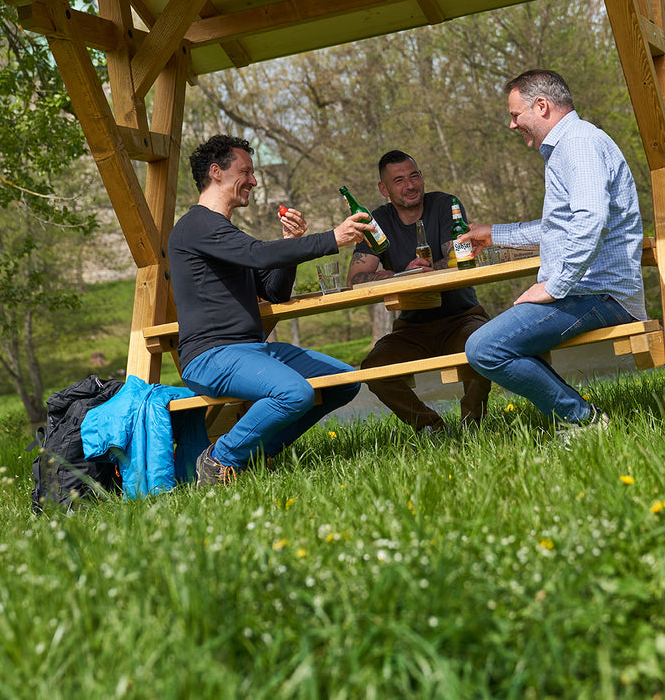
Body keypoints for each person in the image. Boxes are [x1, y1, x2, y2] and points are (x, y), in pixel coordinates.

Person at [170, 134, 372, 487]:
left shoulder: (224, 232)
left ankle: (255, 456)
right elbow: (260, 254)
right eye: (245, 171)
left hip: (252, 350)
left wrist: (292, 243)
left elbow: (273, 290)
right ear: (216, 172)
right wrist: (331, 239)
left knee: (342, 383)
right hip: (210, 356)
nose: (254, 180)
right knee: (294, 393)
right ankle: (220, 460)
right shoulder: (196, 226)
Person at [459, 70, 645, 435]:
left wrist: (554, 286)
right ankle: (580, 419)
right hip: (585, 291)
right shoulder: (570, 147)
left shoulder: (577, 144)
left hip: (598, 294)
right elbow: (557, 227)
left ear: (541, 106)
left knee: (484, 348)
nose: (512, 125)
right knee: (494, 342)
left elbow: (591, 218)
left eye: (516, 115)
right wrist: (492, 234)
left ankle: (583, 421)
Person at [346, 151, 491, 434]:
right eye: (398, 180)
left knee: (484, 345)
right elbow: (355, 279)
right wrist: (404, 274)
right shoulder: (377, 220)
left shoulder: (446, 204)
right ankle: (430, 427)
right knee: (374, 369)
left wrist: (425, 270)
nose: (410, 185)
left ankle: (473, 424)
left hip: (461, 317)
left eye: (414, 176)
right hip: (411, 328)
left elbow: (458, 258)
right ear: (383, 189)